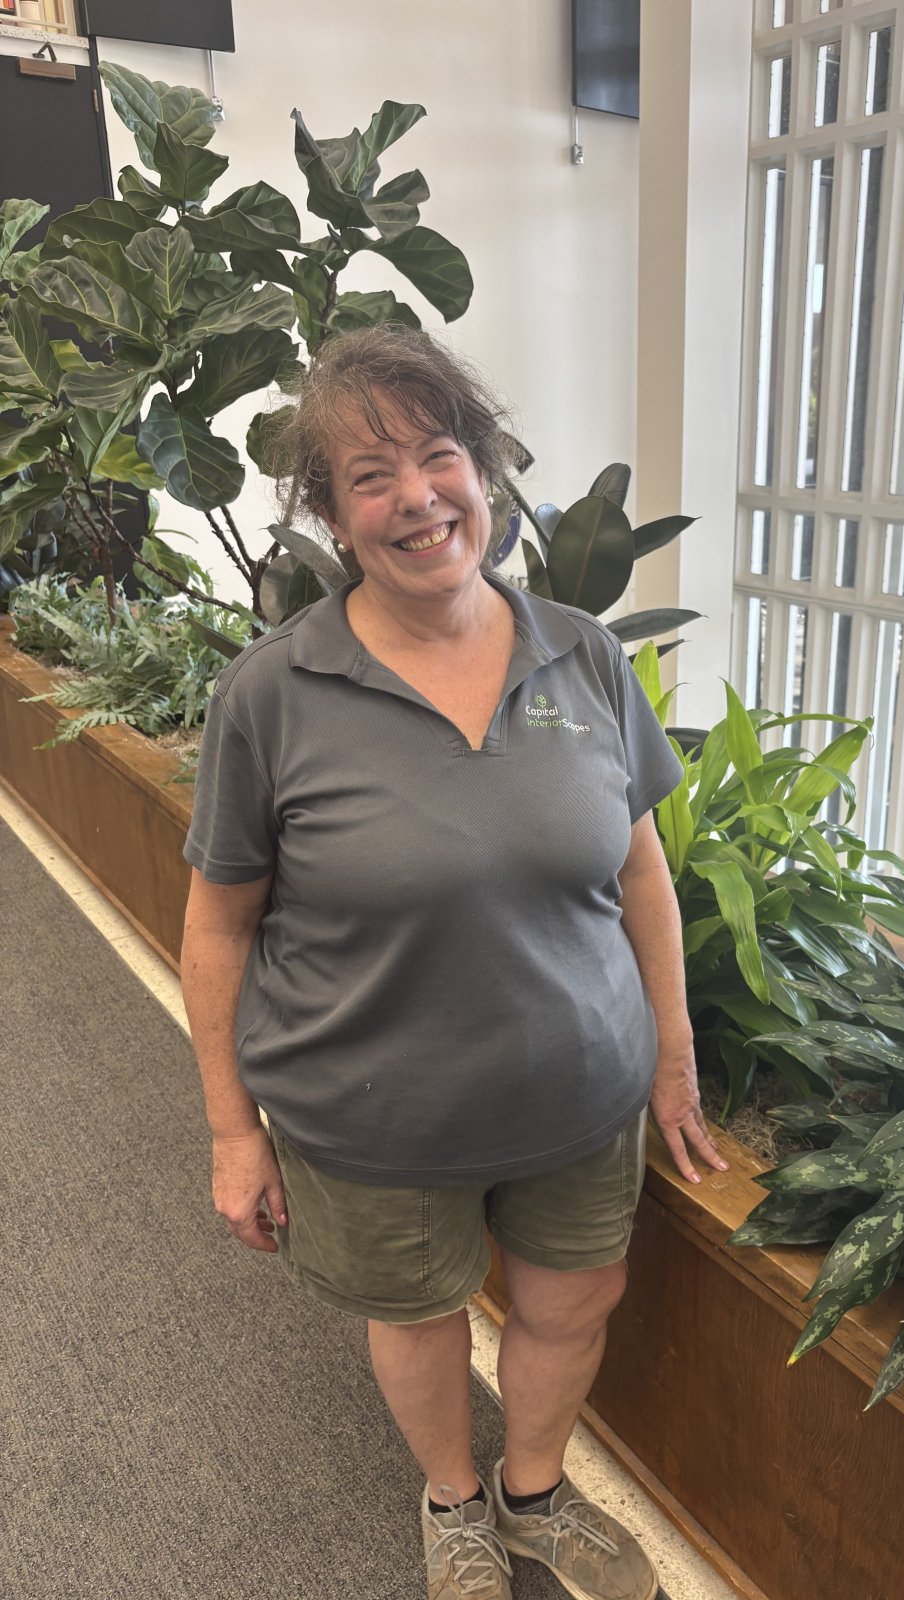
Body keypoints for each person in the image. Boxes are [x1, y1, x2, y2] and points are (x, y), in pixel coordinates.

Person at [180, 325, 728, 1600]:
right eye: (371, 476)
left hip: (578, 1092)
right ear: (332, 512)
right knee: (418, 1319)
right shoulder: (271, 696)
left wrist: (674, 1058)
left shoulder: (585, 654)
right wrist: (231, 1130)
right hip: (374, 1109)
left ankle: (533, 1492)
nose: (417, 498)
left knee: (571, 1305)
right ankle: (452, 1500)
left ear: (487, 473)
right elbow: (218, 925)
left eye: (440, 457)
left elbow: (641, 870)